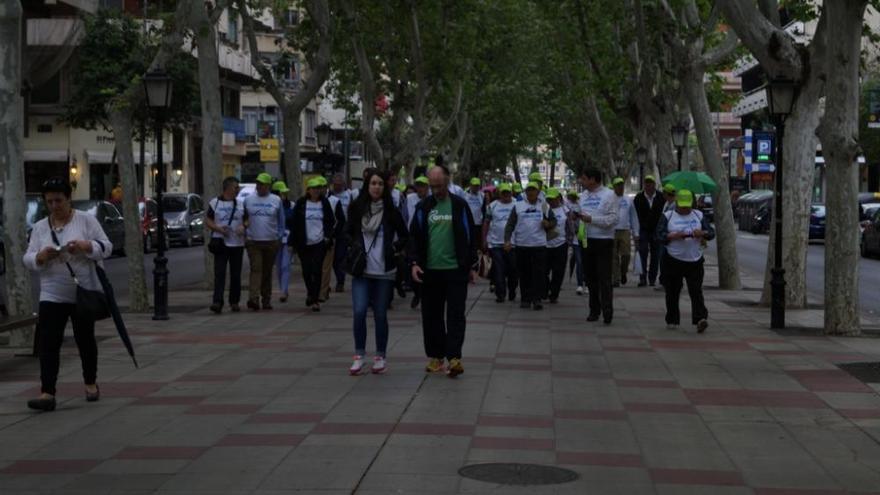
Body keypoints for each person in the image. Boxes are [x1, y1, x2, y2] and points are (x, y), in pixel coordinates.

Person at [23, 177, 113, 411]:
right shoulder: (41, 226)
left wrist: (86, 246)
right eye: (50, 201)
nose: (55, 206)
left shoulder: (86, 221)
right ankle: (47, 392)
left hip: (83, 291)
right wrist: (40, 257)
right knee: (48, 342)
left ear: (68, 199)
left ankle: (90, 382)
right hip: (52, 293)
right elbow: (29, 257)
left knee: (85, 339)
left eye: (59, 201)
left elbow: (107, 247)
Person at [409, 166, 478, 378]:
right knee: (431, 316)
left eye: (439, 186)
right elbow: (415, 236)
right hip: (430, 271)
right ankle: (436, 357)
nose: (436, 190)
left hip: (455, 270)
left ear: (447, 182)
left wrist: (471, 265)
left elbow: (470, 235)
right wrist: (414, 263)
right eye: (432, 187)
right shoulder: (424, 207)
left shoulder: (459, 205)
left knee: (456, 315)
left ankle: (454, 357)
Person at [346, 170, 409, 375]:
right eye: (373, 183)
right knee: (359, 311)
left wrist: (394, 248)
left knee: (380, 314)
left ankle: (380, 356)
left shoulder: (391, 211)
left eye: (380, 184)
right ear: (367, 185)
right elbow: (346, 233)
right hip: (362, 270)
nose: (376, 187)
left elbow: (405, 236)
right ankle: (359, 355)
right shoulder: (357, 208)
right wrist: (353, 246)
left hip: (384, 271)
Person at [656, 189, 714, 333]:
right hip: (673, 260)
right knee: (672, 291)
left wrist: (703, 233)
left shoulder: (698, 215)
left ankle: (700, 318)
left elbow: (711, 233)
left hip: (695, 260)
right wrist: (673, 235)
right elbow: (659, 235)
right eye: (682, 206)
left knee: (696, 291)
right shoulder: (668, 216)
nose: (685, 209)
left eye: (687, 206)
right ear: (676, 203)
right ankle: (672, 319)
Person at [577, 168, 620, 324]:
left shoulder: (609, 195)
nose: (581, 181)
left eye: (584, 178)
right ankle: (594, 310)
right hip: (587, 240)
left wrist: (591, 219)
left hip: (603, 241)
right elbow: (582, 216)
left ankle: (607, 311)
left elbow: (613, 219)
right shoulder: (583, 196)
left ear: (593, 179)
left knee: (604, 278)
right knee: (590, 278)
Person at [504, 182, 555, 310]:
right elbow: (510, 225)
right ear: (525, 192)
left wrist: (548, 224)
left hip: (539, 245)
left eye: (534, 190)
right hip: (522, 245)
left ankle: (537, 299)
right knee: (524, 273)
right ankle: (525, 299)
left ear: (538, 192)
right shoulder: (518, 206)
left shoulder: (544, 206)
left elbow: (554, 221)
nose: (531, 192)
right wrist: (507, 240)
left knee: (539, 274)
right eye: (529, 190)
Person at [290, 177, 337, 312]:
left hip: (319, 242)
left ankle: (315, 299)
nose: (316, 191)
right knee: (306, 270)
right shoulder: (301, 203)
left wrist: (328, 236)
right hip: (304, 243)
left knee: (317, 270)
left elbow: (330, 221)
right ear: (308, 190)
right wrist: (293, 242)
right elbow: (295, 223)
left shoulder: (324, 203)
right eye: (313, 188)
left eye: (318, 188)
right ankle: (310, 293)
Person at [244, 172, 286, 311]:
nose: (259, 186)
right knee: (256, 269)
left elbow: (281, 221)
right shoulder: (248, 200)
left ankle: (266, 299)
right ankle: (253, 298)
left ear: (268, 186)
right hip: (253, 241)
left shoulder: (276, 200)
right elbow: (243, 218)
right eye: (258, 184)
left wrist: (278, 236)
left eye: (262, 184)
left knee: (267, 271)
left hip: (271, 241)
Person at [206, 176, 246, 313]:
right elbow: (208, 220)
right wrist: (218, 229)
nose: (238, 189)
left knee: (236, 274)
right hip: (221, 243)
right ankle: (217, 301)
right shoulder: (214, 203)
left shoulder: (241, 204)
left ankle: (234, 301)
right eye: (236, 187)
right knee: (220, 273)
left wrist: (243, 227)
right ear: (228, 188)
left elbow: (247, 220)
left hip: (237, 244)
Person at [483, 183, 518, 303]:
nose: (506, 195)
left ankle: (512, 290)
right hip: (496, 243)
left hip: (513, 244)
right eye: (503, 193)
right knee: (499, 269)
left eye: (508, 192)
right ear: (500, 194)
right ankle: (500, 294)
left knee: (513, 269)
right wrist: (484, 239)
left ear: (511, 193)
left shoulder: (517, 205)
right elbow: (486, 222)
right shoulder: (492, 206)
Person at [633, 175, 665, 287]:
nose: (648, 185)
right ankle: (642, 278)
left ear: (654, 185)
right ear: (644, 185)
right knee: (643, 253)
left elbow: (663, 215)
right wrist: (636, 232)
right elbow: (635, 216)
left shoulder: (661, 197)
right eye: (646, 183)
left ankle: (652, 278)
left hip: (656, 230)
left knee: (656, 255)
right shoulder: (638, 198)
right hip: (643, 230)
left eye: (650, 183)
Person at [319, 176, 346, 302]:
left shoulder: (334, 201)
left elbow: (341, 220)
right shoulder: (308, 201)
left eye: (321, 187)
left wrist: (333, 235)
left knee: (331, 264)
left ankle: (324, 291)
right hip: (313, 240)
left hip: (331, 238)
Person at [406, 176, 430, 308]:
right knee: (411, 266)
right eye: (418, 185)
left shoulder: (432, 200)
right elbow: (404, 216)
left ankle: (425, 294)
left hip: (427, 238)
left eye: (423, 186)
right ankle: (417, 293)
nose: (420, 188)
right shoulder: (410, 199)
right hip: (412, 237)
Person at [611, 177, 640, 287]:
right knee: (613, 256)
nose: (621, 187)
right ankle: (616, 278)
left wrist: (636, 233)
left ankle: (623, 272)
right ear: (614, 187)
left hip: (625, 230)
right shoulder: (609, 199)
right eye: (618, 185)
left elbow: (634, 217)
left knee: (626, 255)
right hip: (612, 230)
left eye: (622, 185)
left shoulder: (628, 200)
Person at [272, 180, 294, 303]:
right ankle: (282, 287)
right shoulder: (272, 205)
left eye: (285, 193)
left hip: (288, 239)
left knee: (286, 265)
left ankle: (283, 291)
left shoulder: (292, 205)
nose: (283, 196)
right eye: (281, 193)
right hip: (276, 239)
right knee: (279, 266)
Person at [544, 188, 568, 304]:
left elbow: (571, 225)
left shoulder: (565, 209)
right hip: (545, 245)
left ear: (558, 198)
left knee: (558, 272)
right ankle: (545, 289)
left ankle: (554, 294)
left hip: (561, 244)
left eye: (553, 199)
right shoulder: (544, 209)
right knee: (543, 271)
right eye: (548, 199)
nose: (551, 201)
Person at [331, 173, 353, 293]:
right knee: (331, 259)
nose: (337, 187)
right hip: (331, 230)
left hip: (344, 229)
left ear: (344, 184)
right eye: (335, 184)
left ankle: (340, 281)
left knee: (340, 256)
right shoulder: (329, 195)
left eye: (339, 184)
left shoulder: (349, 195)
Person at [656, 183, 677, 290]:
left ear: (666, 194)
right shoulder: (667, 204)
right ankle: (664, 280)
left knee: (666, 259)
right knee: (663, 259)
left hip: (669, 235)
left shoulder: (674, 206)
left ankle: (666, 281)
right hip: (664, 235)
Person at [565, 190, 586, 294]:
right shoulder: (567, 205)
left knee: (586, 261)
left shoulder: (581, 206)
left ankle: (587, 282)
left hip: (586, 238)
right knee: (579, 261)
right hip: (576, 239)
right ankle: (579, 284)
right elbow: (569, 220)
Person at [464, 178, 485, 252]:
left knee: (477, 242)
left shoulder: (482, 195)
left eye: (477, 186)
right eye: (474, 185)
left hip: (478, 223)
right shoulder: (465, 194)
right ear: (470, 185)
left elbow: (484, 208)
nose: (475, 187)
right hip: (468, 222)